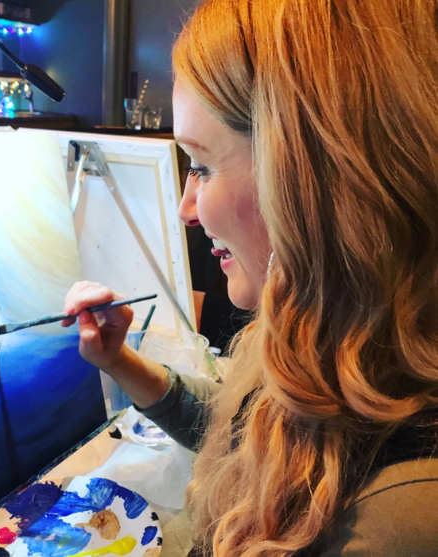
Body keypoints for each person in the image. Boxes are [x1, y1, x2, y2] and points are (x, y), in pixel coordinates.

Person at [63, 1, 438, 555]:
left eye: (202, 166)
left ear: (309, 180)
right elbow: (242, 433)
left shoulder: (394, 519)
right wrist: (120, 361)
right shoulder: (327, 336)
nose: (187, 209)